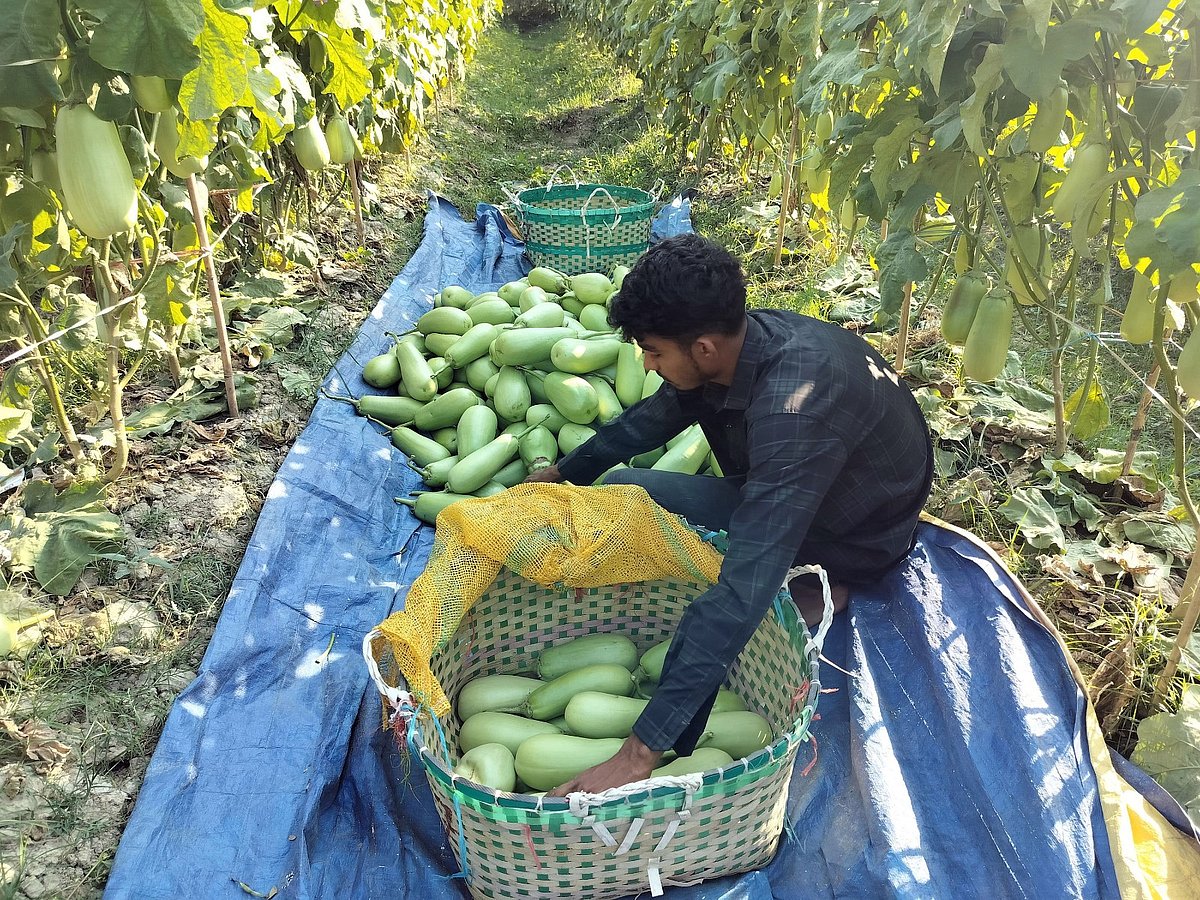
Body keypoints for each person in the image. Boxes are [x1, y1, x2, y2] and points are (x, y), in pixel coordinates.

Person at [524, 233, 933, 796]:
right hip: (812, 485)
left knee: (738, 591)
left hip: (856, 532)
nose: (646, 362)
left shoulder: (793, 413)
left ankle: (834, 584)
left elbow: (742, 587)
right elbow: (654, 417)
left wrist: (641, 751)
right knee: (621, 487)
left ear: (704, 349)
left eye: (653, 351)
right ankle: (799, 577)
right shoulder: (740, 340)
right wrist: (566, 474)